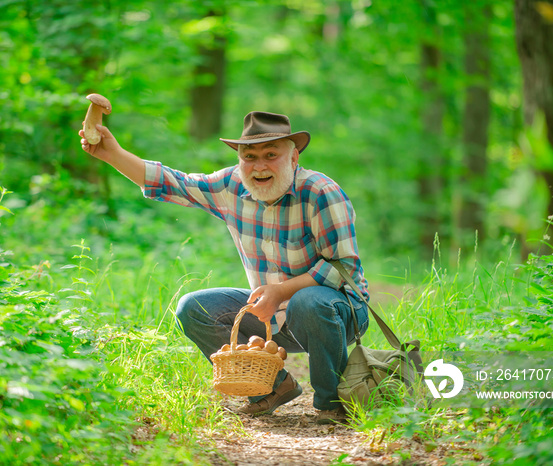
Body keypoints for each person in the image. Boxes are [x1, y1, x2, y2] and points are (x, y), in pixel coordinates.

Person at [79, 111, 369, 424]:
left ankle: (333, 403)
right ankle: (273, 388)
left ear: (293, 157)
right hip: (272, 316)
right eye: (250, 156)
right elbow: (173, 183)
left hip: (336, 312)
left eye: (271, 155)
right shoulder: (231, 186)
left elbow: (344, 270)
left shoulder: (320, 193)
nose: (259, 166)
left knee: (308, 300)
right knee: (194, 307)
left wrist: (282, 291)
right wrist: (113, 154)